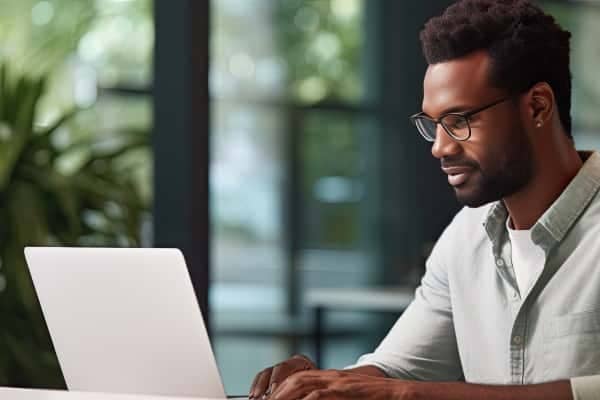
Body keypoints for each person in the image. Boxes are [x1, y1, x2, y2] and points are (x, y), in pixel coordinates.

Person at [248, 1, 600, 399]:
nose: (440, 147)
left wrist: (409, 395)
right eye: (434, 125)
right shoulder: (465, 238)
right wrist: (319, 383)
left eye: (459, 121)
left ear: (538, 106)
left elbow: (404, 389)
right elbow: (397, 368)